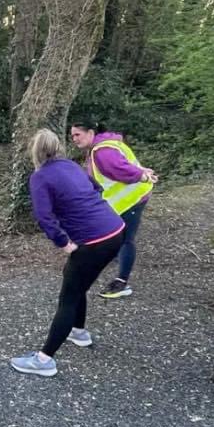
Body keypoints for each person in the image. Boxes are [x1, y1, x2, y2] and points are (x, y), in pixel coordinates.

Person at [10, 129, 126, 377]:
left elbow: (43, 216)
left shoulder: (40, 177)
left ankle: (44, 360)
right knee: (76, 281)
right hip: (116, 230)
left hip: (95, 241)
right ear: (58, 147)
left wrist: (64, 242)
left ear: (35, 151)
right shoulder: (71, 165)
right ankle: (79, 332)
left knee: (68, 298)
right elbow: (97, 188)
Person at [70, 121, 158, 299]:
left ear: (91, 132)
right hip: (124, 200)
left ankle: (121, 282)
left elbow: (119, 169)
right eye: (72, 136)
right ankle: (110, 259)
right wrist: (141, 171)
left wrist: (141, 175)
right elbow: (124, 165)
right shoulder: (108, 145)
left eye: (77, 134)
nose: (74, 139)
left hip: (131, 199)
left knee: (126, 239)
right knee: (115, 236)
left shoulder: (102, 150)